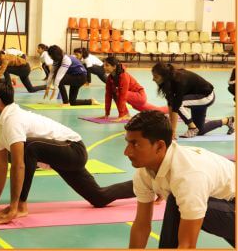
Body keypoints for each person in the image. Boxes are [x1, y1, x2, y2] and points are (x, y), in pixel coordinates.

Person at [0, 79, 134, 224]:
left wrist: (14, 206)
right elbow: (1, 164)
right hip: (60, 155)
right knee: (99, 198)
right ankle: (147, 184)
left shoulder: (13, 119)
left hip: (73, 149)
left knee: (28, 148)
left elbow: (19, 165)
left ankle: (21, 206)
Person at [124, 110, 235, 248]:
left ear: (159, 146)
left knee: (175, 203)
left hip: (231, 205)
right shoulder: (144, 171)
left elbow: (187, 245)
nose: (126, 152)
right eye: (127, 143)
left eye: (135, 144)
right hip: (225, 205)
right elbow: (142, 225)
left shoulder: (188, 176)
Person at [151, 62, 234, 138]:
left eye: (156, 77)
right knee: (200, 130)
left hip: (206, 97)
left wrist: (172, 132)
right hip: (197, 98)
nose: (153, 79)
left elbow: (176, 107)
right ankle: (227, 121)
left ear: (164, 76)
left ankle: (192, 128)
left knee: (177, 104)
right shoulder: (169, 80)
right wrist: (170, 129)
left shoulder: (179, 81)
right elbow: (170, 104)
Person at [101, 57, 168, 122]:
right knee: (157, 111)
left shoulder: (123, 76)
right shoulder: (110, 78)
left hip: (140, 96)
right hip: (134, 100)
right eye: (104, 65)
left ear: (114, 67)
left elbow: (123, 95)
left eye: (107, 65)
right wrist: (107, 114)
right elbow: (108, 95)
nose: (104, 67)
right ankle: (169, 109)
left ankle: (125, 114)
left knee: (118, 93)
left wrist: (121, 115)